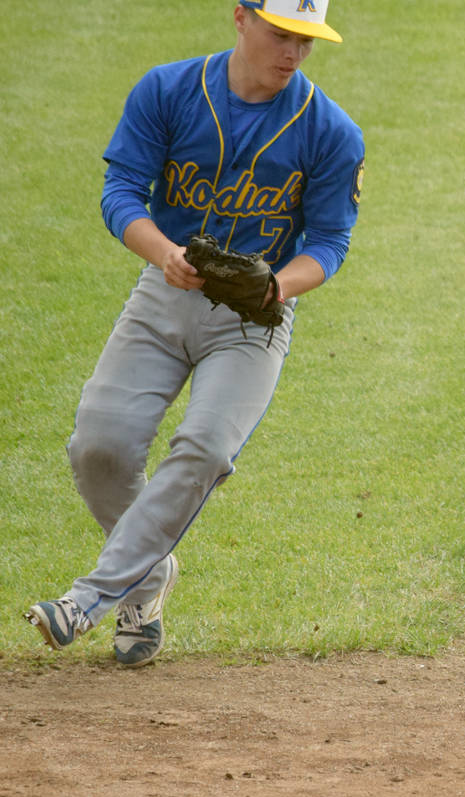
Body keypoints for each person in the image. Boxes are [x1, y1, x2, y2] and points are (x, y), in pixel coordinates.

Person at [23, 1, 364, 667]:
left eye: (306, 40)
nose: (293, 52)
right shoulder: (168, 90)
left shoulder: (329, 131)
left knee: (206, 446)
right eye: (280, 33)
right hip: (164, 293)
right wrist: (162, 253)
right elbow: (121, 189)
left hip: (252, 320)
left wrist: (277, 287)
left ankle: (91, 598)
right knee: (99, 447)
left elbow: (328, 242)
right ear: (240, 17)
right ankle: (149, 579)